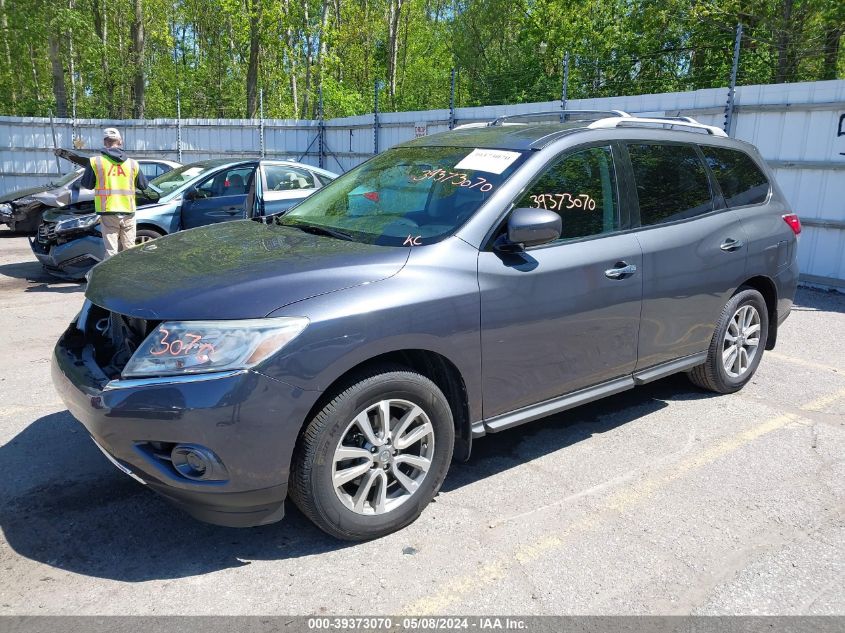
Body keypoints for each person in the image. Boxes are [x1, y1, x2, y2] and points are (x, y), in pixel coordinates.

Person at [79, 128, 149, 259]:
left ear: (105, 143)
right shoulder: (133, 164)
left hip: (108, 211)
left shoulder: (96, 162)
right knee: (129, 250)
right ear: (120, 142)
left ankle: (110, 278)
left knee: (111, 252)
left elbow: (87, 185)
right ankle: (130, 277)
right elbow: (144, 185)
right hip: (128, 211)